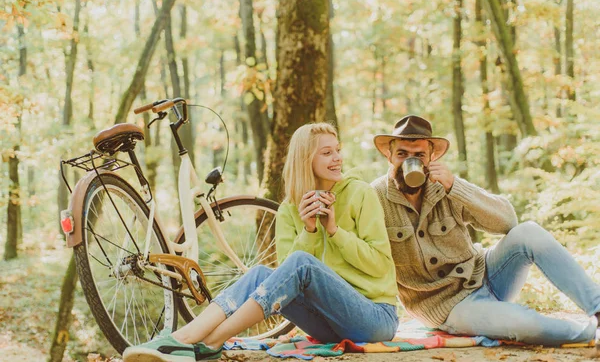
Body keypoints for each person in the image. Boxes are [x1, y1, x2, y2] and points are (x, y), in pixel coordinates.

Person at [123, 122, 398, 362]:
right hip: (328, 324)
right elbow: (285, 280)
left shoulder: (361, 194)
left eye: (337, 150)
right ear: (305, 160)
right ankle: (198, 341)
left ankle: (193, 341)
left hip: (374, 318)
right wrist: (310, 230)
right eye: (327, 153)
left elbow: (379, 265)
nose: (337, 158)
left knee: (301, 263)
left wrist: (335, 231)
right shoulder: (289, 210)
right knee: (258, 275)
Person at [371, 115, 600, 346]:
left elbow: (508, 222)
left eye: (419, 155)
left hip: (486, 274)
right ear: (389, 156)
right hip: (447, 307)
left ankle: (598, 310)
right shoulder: (375, 197)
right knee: (524, 324)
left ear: (432, 158)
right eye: (402, 154)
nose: (411, 161)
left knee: (528, 232)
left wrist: (455, 186)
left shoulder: (445, 185)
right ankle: (589, 333)